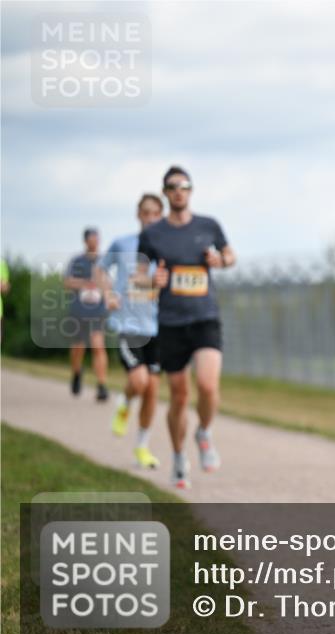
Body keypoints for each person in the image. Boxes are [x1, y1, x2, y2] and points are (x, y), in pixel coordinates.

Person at [138, 166, 236, 489]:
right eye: (172, 187)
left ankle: (204, 432)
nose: (178, 191)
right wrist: (152, 280)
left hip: (205, 316)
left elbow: (230, 255)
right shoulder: (153, 234)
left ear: (191, 190)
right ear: (165, 193)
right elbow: (138, 275)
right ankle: (179, 457)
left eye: (184, 185)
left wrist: (221, 262)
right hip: (170, 322)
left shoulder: (208, 225)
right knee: (179, 396)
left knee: (207, 385)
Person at [99, 193, 165, 469]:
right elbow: (102, 271)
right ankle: (125, 401)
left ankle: (142, 447)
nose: (149, 218)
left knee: (152, 390)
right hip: (128, 325)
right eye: (145, 213)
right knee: (139, 382)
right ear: (138, 215)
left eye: (154, 214)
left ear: (161, 216)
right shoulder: (122, 244)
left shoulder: (168, 248)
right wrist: (108, 294)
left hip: (158, 327)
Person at [64, 228, 110, 401]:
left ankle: (102, 385)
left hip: (97, 311)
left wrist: (107, 294)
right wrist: (86, 283)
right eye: (92, 239)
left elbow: (108, 283)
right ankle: (76, 372)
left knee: (98, 346)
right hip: (78, 310)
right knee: (78, 347)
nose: (95, 242)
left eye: (97, 239)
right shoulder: (76, 261)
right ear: (85, 241)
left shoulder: (103, 262)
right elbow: (67, 282)